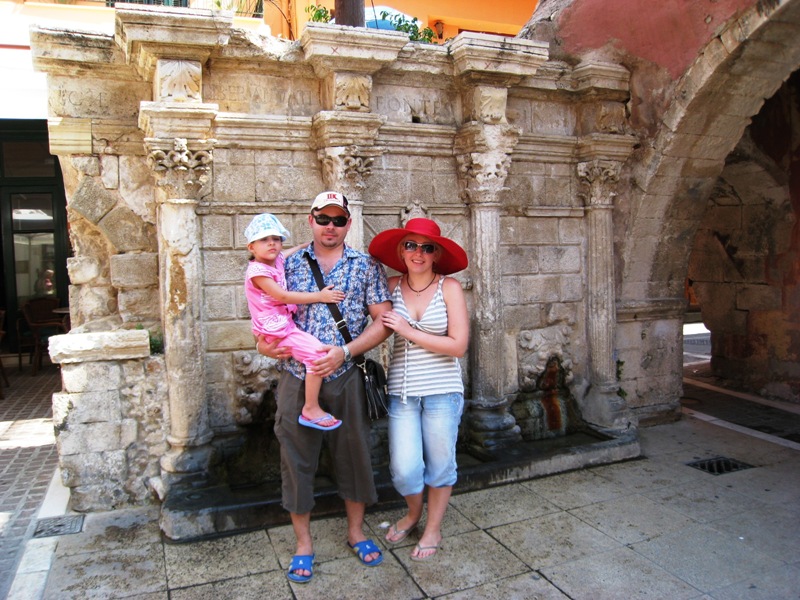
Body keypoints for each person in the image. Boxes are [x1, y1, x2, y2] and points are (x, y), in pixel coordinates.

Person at [256, 191, 392, 583]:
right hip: (297, 375)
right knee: (295, 458)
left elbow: (384, 320)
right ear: (311, 220)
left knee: (354, 453)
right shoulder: (285, 263)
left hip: (345, 374)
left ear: (348, 223)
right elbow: (264, 311)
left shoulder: (365, 265)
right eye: (323, 219)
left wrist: (345, 352)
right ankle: (303, 544)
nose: (330, 227)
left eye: (338, 220)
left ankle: (356, 532)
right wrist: (263, 345)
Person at [368, 218, 469, 561]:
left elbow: (458, 346)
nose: (418, 253)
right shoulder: (390, 286)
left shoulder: (449, 288)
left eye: (427, 247)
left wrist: (408, 330)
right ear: (401, 251)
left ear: (436, 254)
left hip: (443, 390)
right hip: (402, 393)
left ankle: (432, 528)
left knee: (440, 466)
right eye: (411, 245)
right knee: (405, 470)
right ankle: (413, 513)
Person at [244, 212, 345, 431]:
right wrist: (320, 296)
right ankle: (310, 408)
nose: (272, 243)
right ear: (251, 247)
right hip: (275, 329)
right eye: (264, 239)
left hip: (281, 325)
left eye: (276, 239)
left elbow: (285, 254)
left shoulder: (276, 260)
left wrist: (302, 246)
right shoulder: (257, 271)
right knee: (317, 354)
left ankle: (312, 405)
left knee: (315, 354)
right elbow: (282, 296)